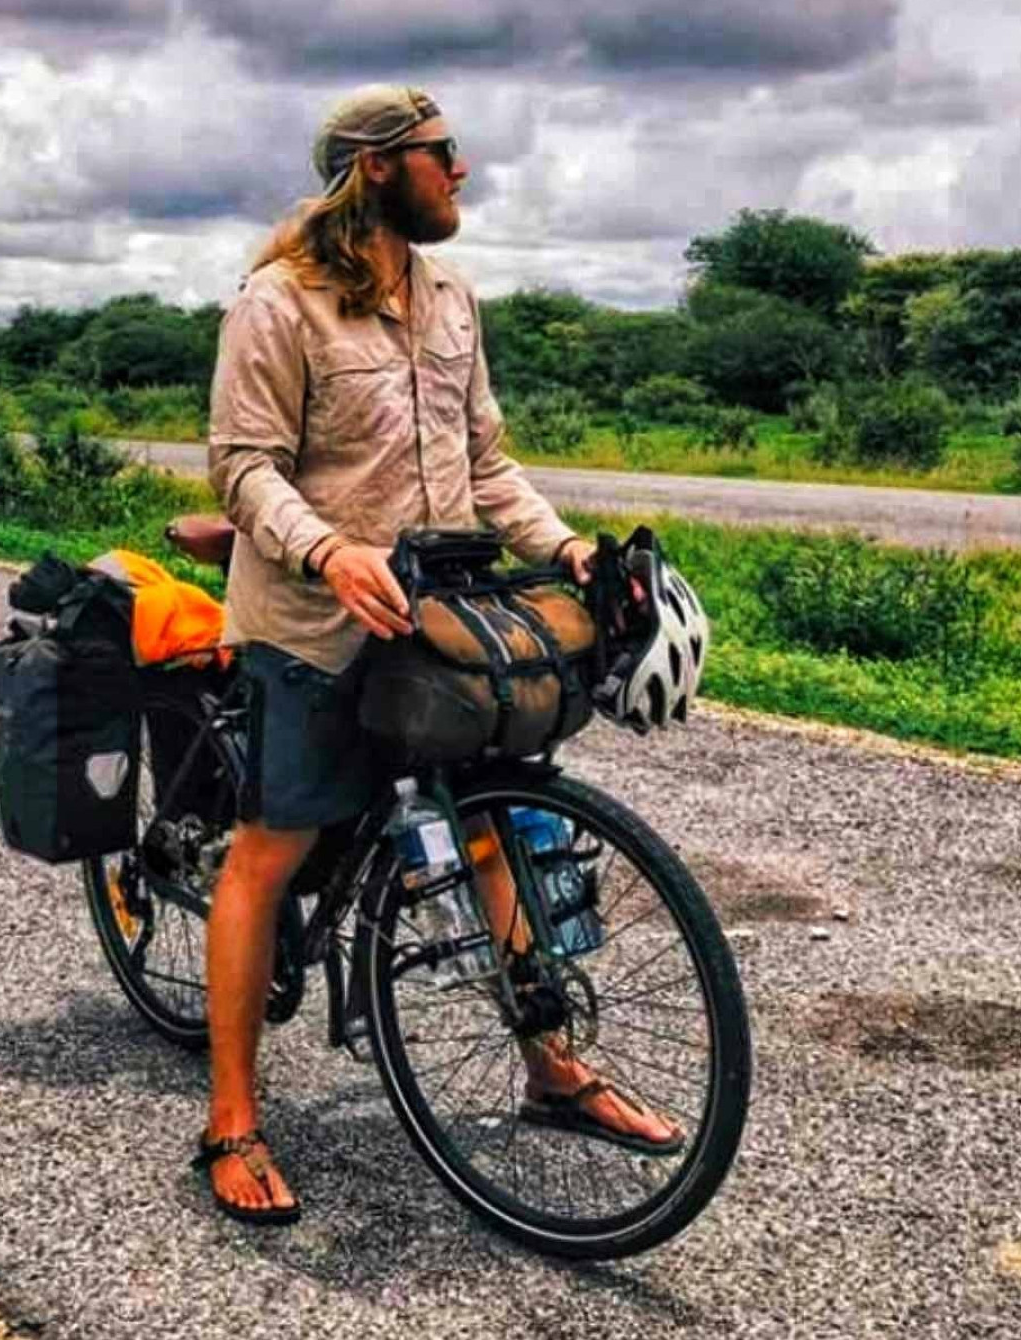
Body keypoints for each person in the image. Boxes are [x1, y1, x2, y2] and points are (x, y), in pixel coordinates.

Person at [195, 84, 680, 1225]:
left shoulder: (452, 296)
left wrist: (560, 548)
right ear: (375, 168)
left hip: (437, 624)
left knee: (488, 825)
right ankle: (228, 1119)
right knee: (269, 848)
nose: (459, 172)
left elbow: (485, 461)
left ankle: (551, 1067)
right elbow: (242, 465)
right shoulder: (278, 305)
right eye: (441, 153)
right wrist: (325, 554)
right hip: (311, 624)